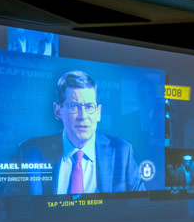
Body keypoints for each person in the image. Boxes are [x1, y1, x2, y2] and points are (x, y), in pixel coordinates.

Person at [17, 70, 145, 194]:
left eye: (89, 107)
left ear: (98, 113)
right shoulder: (29, 152)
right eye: (74, 106)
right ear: (57, 111)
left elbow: (140, 206)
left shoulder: (122, 152)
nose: (83, 116)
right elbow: (9, 207)